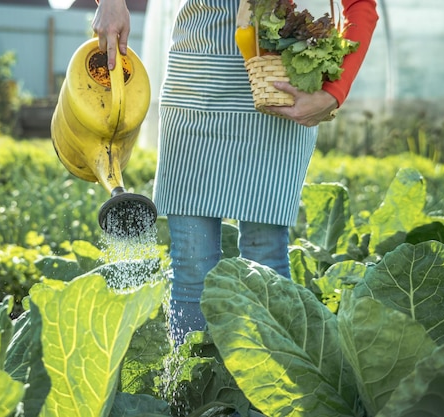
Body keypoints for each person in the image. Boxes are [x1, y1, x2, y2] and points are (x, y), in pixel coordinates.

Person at [93, 0, 378, 345]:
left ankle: (268, 394)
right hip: (196, 80)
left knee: (265, 258)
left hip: (279, 85)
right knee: (191, 266)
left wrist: (334, 93)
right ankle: (192, 393)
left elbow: (360, 5)